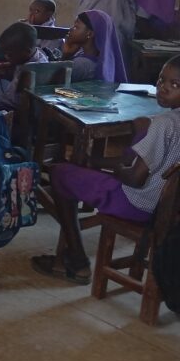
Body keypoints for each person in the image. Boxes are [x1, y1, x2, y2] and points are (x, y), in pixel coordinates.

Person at [31, 55, 180, 284]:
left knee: (61, 173)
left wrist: (103, 165)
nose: (163, 88)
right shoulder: (163, 121)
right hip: (171, 210)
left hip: (141, 204)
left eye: (174, 84)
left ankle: (77, 260)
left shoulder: (164, 124)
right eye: (161, 80)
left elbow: (135, 178)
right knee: (89, 167)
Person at [0, 22, 48, 112]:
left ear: (26, 51)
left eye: (9, 55)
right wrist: (3, 74)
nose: (6, 57)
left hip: (8, 108)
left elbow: (18, 105)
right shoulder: (35, 54)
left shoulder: (31, 71)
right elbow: (15, 78)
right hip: (9, 96)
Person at [62, 9, 128, 83]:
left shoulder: (82, 64)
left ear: (89, 34)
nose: (71, 29)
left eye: (76, 27)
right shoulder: (95, 58)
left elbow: (51, 80)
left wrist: (65, 55)